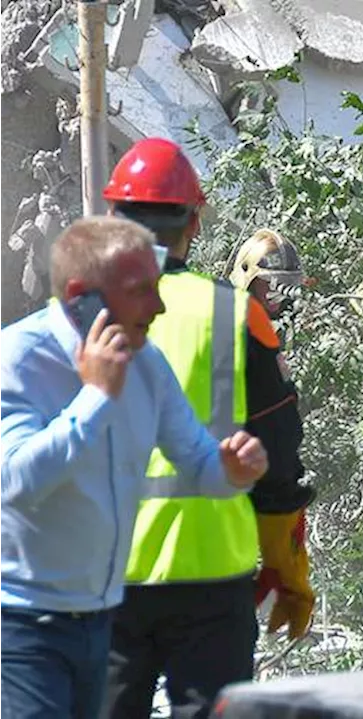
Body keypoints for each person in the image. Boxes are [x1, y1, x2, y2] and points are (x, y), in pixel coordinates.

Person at [0, 216, 268, 719]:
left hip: (101, 619)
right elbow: (14, 482)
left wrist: (233, 469)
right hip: (21, 624)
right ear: (83, 295)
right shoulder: (16, 358)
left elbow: (198, 461)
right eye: (142, 290)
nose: (160, 306)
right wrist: (96, 396)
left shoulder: (147, 363)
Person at [99, 138, 315, 719]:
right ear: (194, 224)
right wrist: (287, 566)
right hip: (214, 579)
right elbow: (278, 453)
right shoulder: (235, 313)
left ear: (114, 219)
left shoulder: (74, 315)